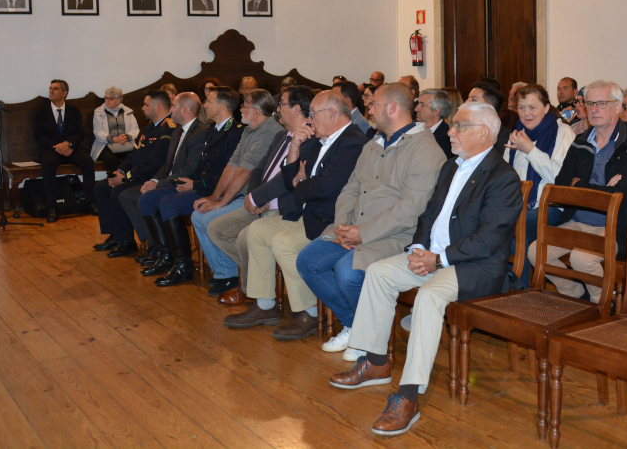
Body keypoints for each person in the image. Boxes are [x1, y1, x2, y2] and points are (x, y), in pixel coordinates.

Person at [327, 102, 522, 436]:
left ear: (485, 133)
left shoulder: (503, 177)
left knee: (429, 298)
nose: (450, 131)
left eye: (460, 126)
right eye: (453, 125)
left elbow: (488, 240)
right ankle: (376, 362)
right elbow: (428, 214)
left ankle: (408, 396)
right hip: (432, 255)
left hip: (473, 267)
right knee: (378, 273)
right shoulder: (450, 167)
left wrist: (439, 258)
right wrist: (418, 248)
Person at [296, 83, 445, 360]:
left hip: (395, 236)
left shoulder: (425, 149)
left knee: (348, 272)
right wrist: (342, 227)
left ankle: (367, 337)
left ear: (392, 108)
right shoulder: (373, 144)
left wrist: (362, 234)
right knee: (308, 261)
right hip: (354, 229)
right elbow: (350, 188)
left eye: (373, 104)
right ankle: (356, 324)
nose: (368, 109)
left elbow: (409, 210)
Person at [222, 90, 367, 339]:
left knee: (284, 243)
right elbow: (291, 178)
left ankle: (310, 312)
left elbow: (326, 186)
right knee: (255, 232)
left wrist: (301, 183)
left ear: (332, 114)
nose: (309, 120)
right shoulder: (322, 139)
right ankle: (266, 306)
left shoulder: (352, 141)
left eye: (313, 114)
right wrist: (295, 146)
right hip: (309, 212)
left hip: (330, 219)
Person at [528, 79, 627, 303]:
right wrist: (601, 190)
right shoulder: (580, 142)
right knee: (536, 251)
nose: (593, 109)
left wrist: (580, 186)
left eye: (601, 103)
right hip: (577, 220)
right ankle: (577, 296)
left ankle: (604, 303)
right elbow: (561, 185)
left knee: (581, 258)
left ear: (617, 107)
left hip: (614, 226)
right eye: (589, 103)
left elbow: (619, 196)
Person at [207, 86, 315, 302]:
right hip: (261, 201)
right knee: (216, 229)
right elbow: (258, 169)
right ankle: (258, 277)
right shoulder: (281, 135)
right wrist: (253, 197)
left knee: (246, 238)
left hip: (282, 207)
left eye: (282, 104)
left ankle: (252, 290)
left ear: (296, 109)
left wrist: (258, 198)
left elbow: (287, 180)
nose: (277, 108)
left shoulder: (310, 138)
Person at [117, 91, 222, 272]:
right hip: (171, 181)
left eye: (173, 106)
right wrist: (154, 180)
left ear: (185, 109)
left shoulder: (200, 133)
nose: (170, 110)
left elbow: (188, 170)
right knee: (145, 197)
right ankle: (164, 253)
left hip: (186, 184)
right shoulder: (177, 132)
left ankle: (177, 260)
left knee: (153, 200)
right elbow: (167, 164)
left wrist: (160, 184)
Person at [192, 89, 283, 295]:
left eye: (245, 105)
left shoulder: (269, 131)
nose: (240, 109)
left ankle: (236, 274)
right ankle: (224, 272)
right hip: (245, 195)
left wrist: (221, 203)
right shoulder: (250, 129)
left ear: (257, 111)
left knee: (208, 220)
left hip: (259, 200)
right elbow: (233, 165)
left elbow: (244, 172)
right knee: (198, 215)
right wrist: (215, 197)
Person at [506, 84, 575, 285]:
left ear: (546, 108)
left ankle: (523, 293)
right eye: (521, 108)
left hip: (553, 206)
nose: (526, 114)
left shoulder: (563, 132)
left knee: (516, 228)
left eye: (532, 107)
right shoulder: (517, 133)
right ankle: (496, 288)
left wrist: (530, 150)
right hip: (520, 206)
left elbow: (559, 178)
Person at [92, 91, 175, 256]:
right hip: (140, 173)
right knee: (102, 187)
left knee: (118, 191)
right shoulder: (151, 127)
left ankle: (127, 240)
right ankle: (116, 235)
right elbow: (137, 155)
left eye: (146, 105)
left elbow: (154, 163)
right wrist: (121, 170)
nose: (142, 108)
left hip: (151, 176)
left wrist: (126, 178)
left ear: (158, 106)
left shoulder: (168, 128)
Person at [31, 79, 97, 222]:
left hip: (70, 147)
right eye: (50, 88)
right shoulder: (41, 112)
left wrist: (68, 144)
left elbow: (79, 133)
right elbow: (39, 136)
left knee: (87, 161)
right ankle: (52, 207)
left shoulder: (74, 111)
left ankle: (90, 202)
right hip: (50, 149)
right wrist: (59, 146)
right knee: (48, 164)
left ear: (64, 93)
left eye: (55, 89)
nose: (51, 91)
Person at [90, 87, 140, 174]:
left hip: (125, 143)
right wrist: (113, 139)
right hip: (105, 144)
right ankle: (114, 181)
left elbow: (135, 129)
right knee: (111, 159)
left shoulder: (127, 112)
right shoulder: (99, 113)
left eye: (111, 98)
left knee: (135, 156)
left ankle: (130, 181)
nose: (107, 101)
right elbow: (98, 133)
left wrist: (126, 137)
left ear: (118, 100)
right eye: (106, 98)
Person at [466, 79, 510, 155]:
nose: (466, 102)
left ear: (489, 108)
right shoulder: (465, 128)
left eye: (473, 99)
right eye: (468, 98)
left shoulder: (502, 135)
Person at [415, 89, 454, 159]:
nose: (416, 109)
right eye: (418, 104)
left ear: (436, 111)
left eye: (422, 105)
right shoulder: (413, 129)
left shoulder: (447, 139)